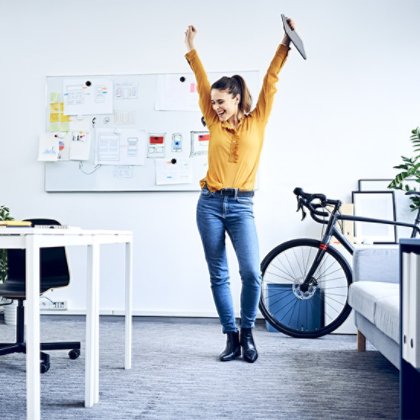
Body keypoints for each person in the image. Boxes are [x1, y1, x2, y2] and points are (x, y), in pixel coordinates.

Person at [184, 19, 295, 363]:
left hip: (242, 206)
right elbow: (202, 83)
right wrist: (191, 50)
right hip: (210, 205)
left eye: (221, 101)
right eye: (212, 102)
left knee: (251, 272)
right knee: (218, 273)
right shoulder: (212, 119)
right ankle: (230, 336)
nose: (215, 106)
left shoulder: (258, 119)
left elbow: (270, 82)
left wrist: (285, 44)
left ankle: (248, 333)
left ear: (235, 98)